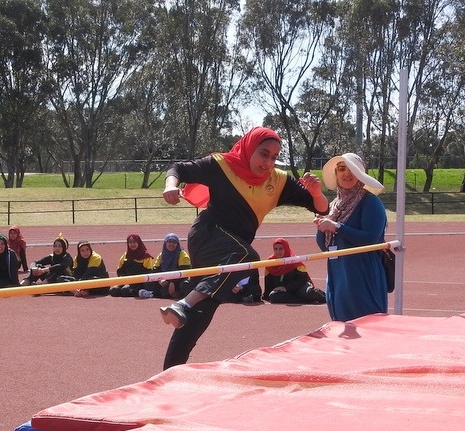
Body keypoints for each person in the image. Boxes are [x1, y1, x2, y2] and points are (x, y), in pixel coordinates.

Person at [159, 126, 329, 369]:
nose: (268, 162)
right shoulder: (222, 165)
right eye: (263, 154)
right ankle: (184, 302)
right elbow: (178, 169)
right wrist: (170, 185)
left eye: (274, 157)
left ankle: (169, 373)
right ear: (249, 148)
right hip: (208, 236)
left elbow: (321, 209)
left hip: (233, 252)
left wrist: (315, 192)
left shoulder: (278, 181)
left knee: (200, 313)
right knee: (248, 257)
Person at [314, 153, 387, 321]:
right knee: (341, 328)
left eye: (352, 170)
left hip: (362, 276)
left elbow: (370, 238)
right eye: (341, 169)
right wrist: (321, 227)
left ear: (360, 175)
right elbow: (325, 246)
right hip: (338, 277)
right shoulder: (333, 206)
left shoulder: (370, 202)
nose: (346, 174)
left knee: (368, 326)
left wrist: (337, 227)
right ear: (336, 174)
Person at [263, 238, 326, 304]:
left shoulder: (295, 261)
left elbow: (303, 280)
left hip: (299, 287)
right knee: (273, 296)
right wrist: (267, 295)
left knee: (307, 293)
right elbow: (268, 282)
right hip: (284, 291)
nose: (278, 252)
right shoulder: (270, 263)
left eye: (281, 249)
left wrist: (286, 288)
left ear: (286, 248)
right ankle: (301, 300)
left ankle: (324, 297)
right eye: (275, 249)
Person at [138, 233, 191, 299]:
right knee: (148, 283)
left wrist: (172, 282)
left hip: (178, 280)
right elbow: (155, 270)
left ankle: (153, 294)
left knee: (183, 285)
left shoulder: (183, 255)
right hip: (164, 281)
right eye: (169, 241)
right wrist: (161, 280)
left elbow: (184, 272)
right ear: (165, 243)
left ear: (177, 244)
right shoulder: (161, 255)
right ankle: (169, 293)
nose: (171, 244)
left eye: (174, 242)